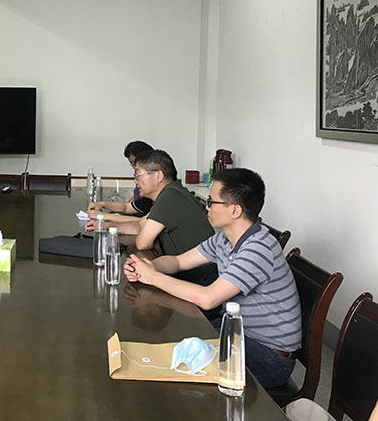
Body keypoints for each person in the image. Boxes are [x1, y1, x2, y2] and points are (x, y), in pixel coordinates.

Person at [123, 168, 302, 389]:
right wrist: (151, 266)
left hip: (268, 356)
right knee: (176, 339)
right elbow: (178, 262)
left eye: (211, 202)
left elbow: (208, 299)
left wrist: (152, 277)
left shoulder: (257, 248)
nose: (206, 207)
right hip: (237, 333)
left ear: (235, 210)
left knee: (179, 368)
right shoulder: (224, 239)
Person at [85, 149, 216, 284]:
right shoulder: (171, 192)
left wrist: (152, 239)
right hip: (189, 271)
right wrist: (105, 225)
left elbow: (142, 243)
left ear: (158, 176)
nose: (136, 181)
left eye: (138, 175)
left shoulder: (170, 197)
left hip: (200, 277)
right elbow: (140, 225)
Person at [87, 140, 154, 222]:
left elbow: (141, 222)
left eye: (134, 163)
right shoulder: (144, 194)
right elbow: (127, 207)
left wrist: (107, 216)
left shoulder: (158, 199)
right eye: (132, 164)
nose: (136, 182)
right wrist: (102, 205)